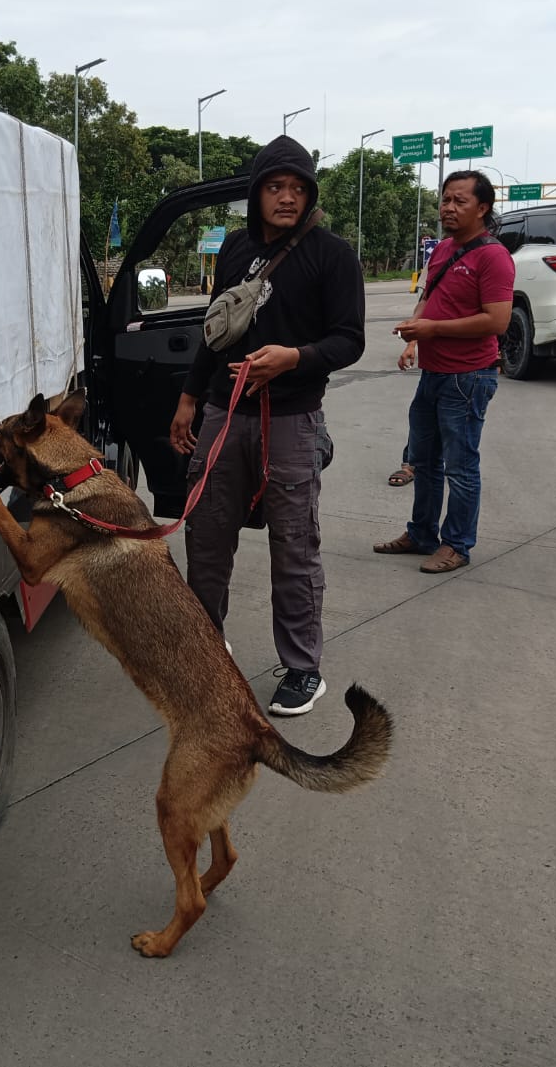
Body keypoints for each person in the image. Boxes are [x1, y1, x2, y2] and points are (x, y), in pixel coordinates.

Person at [168, 136, 364, 717]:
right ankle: (206, 645)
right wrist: (186, 397)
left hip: (293, 420)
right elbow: (215, 330)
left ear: (310, 196)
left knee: (294, 545)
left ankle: (303, 668)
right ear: (256, 195)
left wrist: (294, 358)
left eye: (297, 189)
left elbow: (350, 339)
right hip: (223, 415)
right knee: (205, 536)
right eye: (275, 188)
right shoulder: (234, 248)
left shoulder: (332, 254)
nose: (286, 198)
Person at [372, 171, 513, 573]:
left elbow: (497, 321)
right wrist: (414, 338)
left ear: (482, 208)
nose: (448, 208)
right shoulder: (443, 249)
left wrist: (432, 329)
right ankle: (421, 534)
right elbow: (429, 298)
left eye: (459, 201)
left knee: (461, 466)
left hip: (468, 377)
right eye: (445, 200)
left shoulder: (493, 256)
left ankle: (457, 545)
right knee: (425, 460)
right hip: (433, 374)